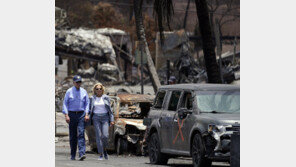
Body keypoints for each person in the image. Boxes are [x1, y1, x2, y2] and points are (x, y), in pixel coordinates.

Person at [62, 75, 90, 161]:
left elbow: (87, 103)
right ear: (73, 82)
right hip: (72, 115)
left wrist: (86, 114)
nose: (78, 84)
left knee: (81, 133)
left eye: (80, 82)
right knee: (73, 135)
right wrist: (66, 115)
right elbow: (65, 104)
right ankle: (73, 155)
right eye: (77, 82)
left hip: (81, 114)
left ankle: (82, 153)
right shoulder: (69, 92)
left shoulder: (84, 91)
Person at [89, 83, 115, 160]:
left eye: (100, 89)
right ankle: (101, 154)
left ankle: (105, 150)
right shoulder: (92, 98)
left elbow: (110, 110)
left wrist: (112, 120)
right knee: (99, 136)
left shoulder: (106, 97)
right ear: (95, 90)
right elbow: (89, 108)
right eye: (97, 89)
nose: (99, 90)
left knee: (105, 136)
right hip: (96, 118)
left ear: (102, 90)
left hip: (105, 117)